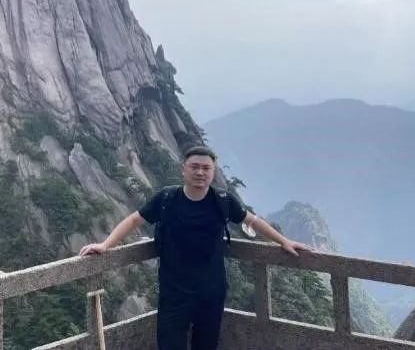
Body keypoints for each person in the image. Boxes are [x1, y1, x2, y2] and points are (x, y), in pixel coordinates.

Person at [79, 145, 314, 349]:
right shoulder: (167, 198)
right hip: (174, 292)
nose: (200, 172)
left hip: (211, 291)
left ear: (213, 172)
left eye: (206, 168)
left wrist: (284, 241)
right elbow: (134, 220)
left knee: (206, 345)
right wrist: (105, 245)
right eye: (194, 167)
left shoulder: (223, 200)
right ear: (183, 169)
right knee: (170, 344)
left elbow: (252, 221)